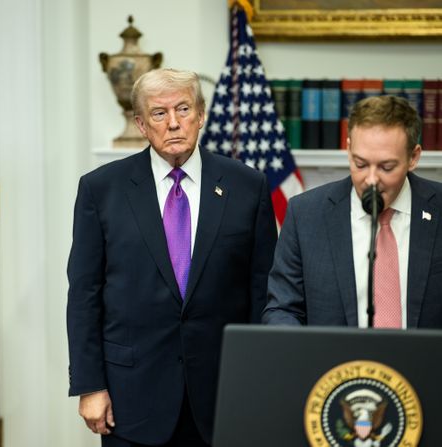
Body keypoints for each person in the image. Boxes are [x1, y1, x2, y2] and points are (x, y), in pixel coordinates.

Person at [66, 68, 277, 447]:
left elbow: (263, 293)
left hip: (222, 395)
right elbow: (84, 294)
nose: (174, 123)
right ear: (141, 124)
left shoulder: (248, 186)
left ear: (201, 114)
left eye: (183, 109)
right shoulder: (101, 189)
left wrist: (259, 382)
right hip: (130, 398)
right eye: (159, 113)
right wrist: (89, 385)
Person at [264, 95, 442, 328]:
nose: (371, 180)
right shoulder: (306, 214)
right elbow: (283, 309)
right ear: (348, 149)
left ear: (413, 157)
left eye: (387, 167)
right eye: (360, 164)